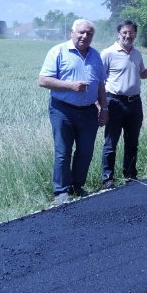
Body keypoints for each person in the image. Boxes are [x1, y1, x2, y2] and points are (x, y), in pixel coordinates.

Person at [38, 19, 108, 206]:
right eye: (81, 32)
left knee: (85, 151)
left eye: (89, 33)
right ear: (72, 32)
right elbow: (43, 80)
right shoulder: (58, 51)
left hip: (88, 112)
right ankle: (61, 191)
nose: (85, 36)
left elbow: (101, 83)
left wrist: (104, 107)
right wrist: (70, 86)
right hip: (63, 110)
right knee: (63, 152)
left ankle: (77, 187)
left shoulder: (95, 55)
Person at [100, 20, 147, 189]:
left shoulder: (137, 54)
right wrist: (101, 106)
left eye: (131, 33)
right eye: (124, 32)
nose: (128, 36)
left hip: (134, 103)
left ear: (135, 35)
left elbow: (143, 74)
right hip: (114, 102)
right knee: (111, 143)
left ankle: (131, 175)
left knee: (132, 142)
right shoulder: (108, 53)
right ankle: (107, 178)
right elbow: (99, 82)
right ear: (118, 34)